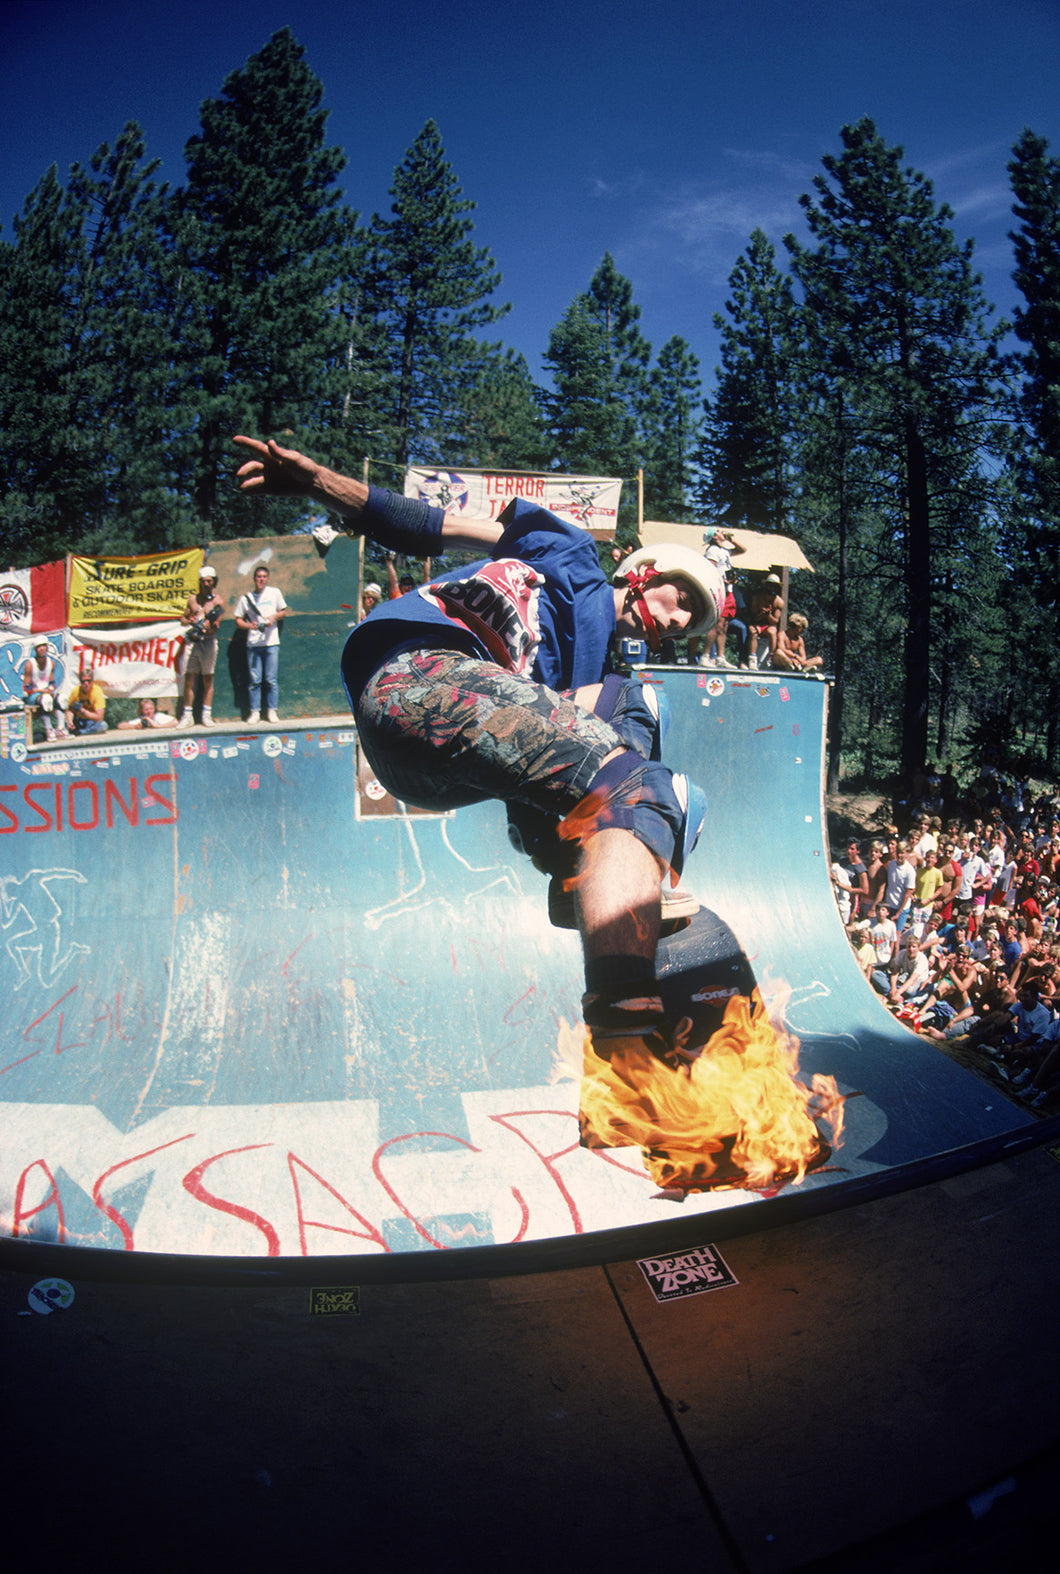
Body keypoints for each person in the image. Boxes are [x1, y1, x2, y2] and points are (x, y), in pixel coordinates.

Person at [234, 433, 724, 1066]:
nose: (680, 620)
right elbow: (435, 527)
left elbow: (543, 746)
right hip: (422, 676)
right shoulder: (572, 556)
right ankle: (623, 1006)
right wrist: (320, 484)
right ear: (642, 575)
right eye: (681, 597)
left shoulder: (575, 688)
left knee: (619, 720)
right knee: (641, 773)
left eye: (693, 622)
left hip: (428, 768)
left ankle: (576, 873)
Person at [234, 563, 287, 723]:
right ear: (254, 579)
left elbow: (283, 611)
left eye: (264, 577)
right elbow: (238, 620)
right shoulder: (246, 598)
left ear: (268, 579)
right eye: (258, 577)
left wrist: (273, 618)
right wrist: (251, 626)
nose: (261, 580)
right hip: (253, 644)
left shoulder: (274, 593)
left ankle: (272, 711)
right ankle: (255, 712)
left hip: (271, 643)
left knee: (271, 680)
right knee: (254, 681)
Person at [178, 564, 224, 727]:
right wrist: (189, 621)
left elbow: (217, 623)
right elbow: (183, 618)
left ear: (214, 582)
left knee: (207, 678)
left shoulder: (218, 601)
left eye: (209, 581)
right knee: (189, 677)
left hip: (209, 642)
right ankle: (187, 715)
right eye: (204, 581)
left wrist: (210, 626)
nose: (206, 584)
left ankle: (206, 715)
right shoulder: (192, 600)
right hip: (193, 642)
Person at [23, 639, 64, 742]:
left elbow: (52, 682)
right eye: (39, 647)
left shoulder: (51, 663)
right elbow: (26, 687)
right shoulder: (30, 664)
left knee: (61, 699)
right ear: (35, 649)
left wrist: (51, 689)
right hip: (34, 695)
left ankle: (61, 729)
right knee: (46, 700)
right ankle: (49, 730)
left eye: (43, 646)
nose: (42, 649)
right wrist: (42, 691)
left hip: (46, 692)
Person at [65, 666, 107, 735]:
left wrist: (82, 710)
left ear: (92, 681)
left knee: (103, 726)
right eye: (83, 681)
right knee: (63, 725)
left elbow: (99, 717)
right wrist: (70, 721)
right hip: (78, 720)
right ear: (80, 682)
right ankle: (77, 731)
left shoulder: (97, 691)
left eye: (88, 681)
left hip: (91, 721)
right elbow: (69, 710)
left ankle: (81, 732)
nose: (86, 684)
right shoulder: (76, 691)